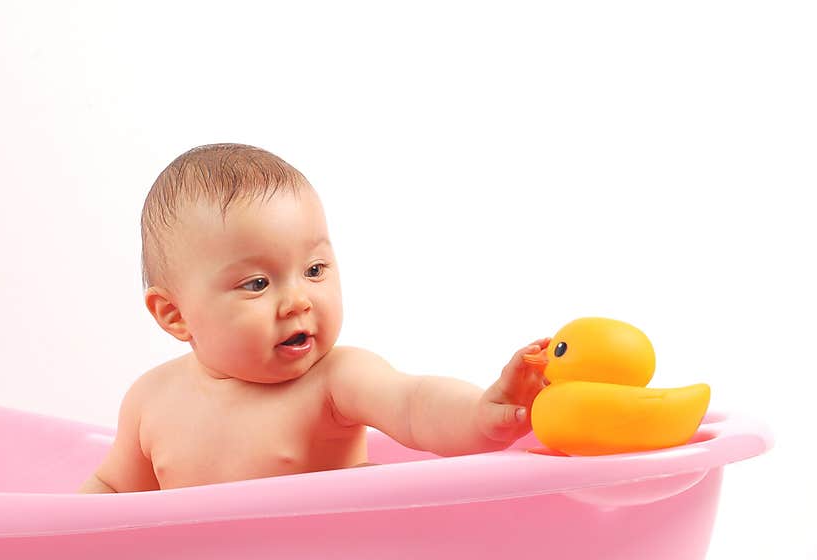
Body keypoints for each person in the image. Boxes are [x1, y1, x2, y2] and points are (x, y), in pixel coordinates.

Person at [78, 143, 549, 492]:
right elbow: (113, 492)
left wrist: (481, 412)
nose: (298, 301)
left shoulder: (335, 379)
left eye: (314, 270)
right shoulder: (151, 401)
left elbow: (414, 403)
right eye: (258, 284)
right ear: (175, 314)